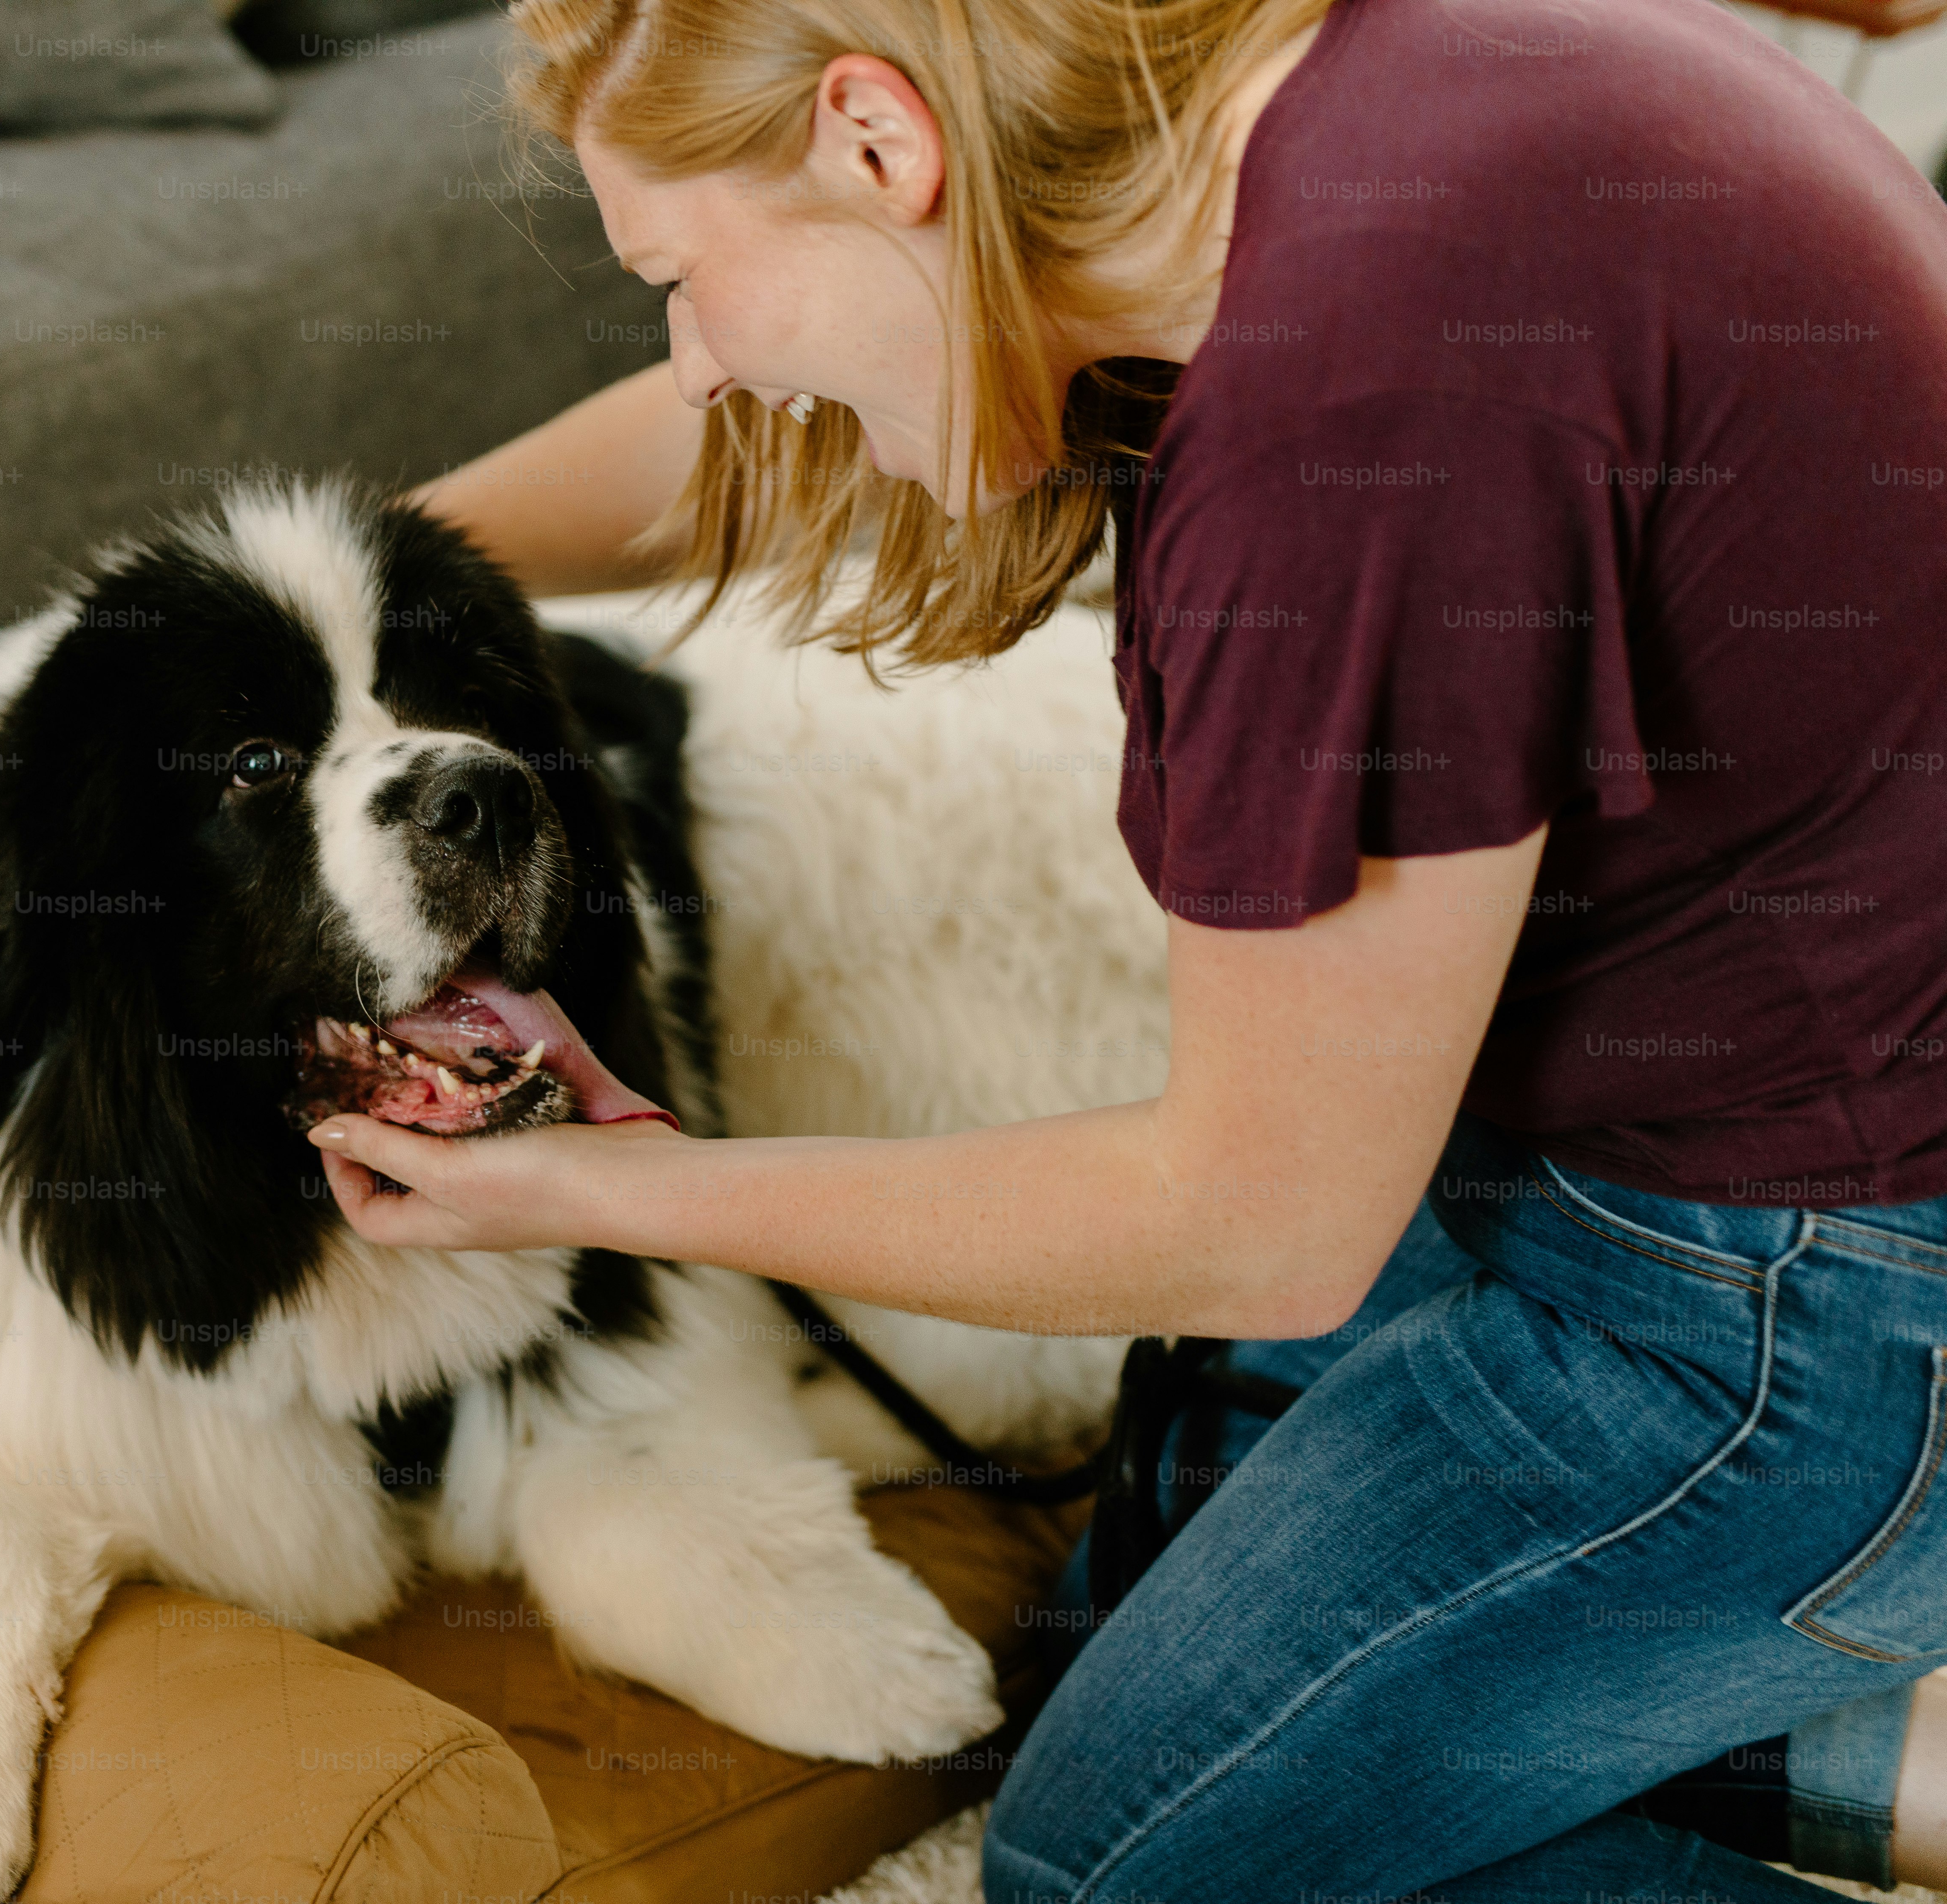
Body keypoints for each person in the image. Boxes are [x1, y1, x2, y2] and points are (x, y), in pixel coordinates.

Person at [295, 0, 1947, 1893]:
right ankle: (1868, 1758)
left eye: (678, 276)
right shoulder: (1312, 129)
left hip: (1807, 1307)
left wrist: (617, 1188)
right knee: (1152, 1540)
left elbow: (1260, 1222)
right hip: (1735, 1120)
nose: (700, 355)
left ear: (874, 138)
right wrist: (354, 575)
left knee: (1108, 1864)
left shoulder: (1346, 416)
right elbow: (726, 438)